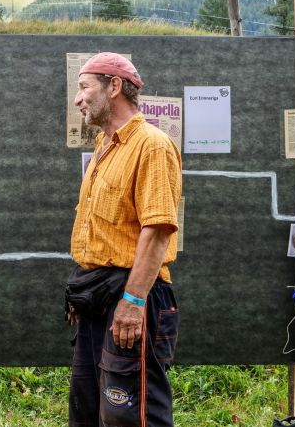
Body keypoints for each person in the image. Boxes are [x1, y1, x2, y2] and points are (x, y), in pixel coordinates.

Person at [68, 53, 182, 427]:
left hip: (133, 300)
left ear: (114, 86)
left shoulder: (152, 145)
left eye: (84, 87)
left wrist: (132, 301)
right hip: (98, 299)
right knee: (87, 411)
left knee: (129, 417)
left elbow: (158, 230)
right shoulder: (105, 146)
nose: (78, 99)